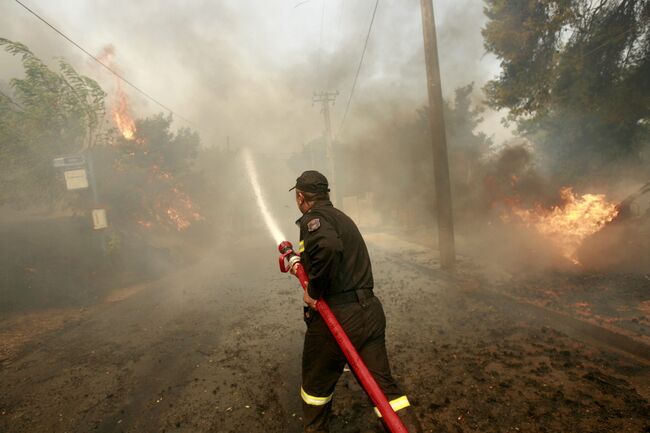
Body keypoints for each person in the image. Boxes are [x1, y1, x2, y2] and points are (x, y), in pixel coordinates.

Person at [290, 170, 422, 433]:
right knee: (384, 390)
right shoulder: (341, 217)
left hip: (338, 316)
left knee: (315, 389)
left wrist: (314, 293)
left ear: (301, 196)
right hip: (369, 313)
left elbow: (327, 248)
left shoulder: (313, 219)